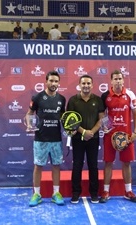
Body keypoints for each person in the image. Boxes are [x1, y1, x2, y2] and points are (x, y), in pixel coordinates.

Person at [100, 70, 136, 203]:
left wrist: (135, 132)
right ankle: (106, 191)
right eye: (115, 79)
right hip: (110, 135)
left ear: (123, 80)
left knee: (126, 163)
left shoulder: (130, 94)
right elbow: (102, 114)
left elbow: (135, 113)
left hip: (126, 136)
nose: (118, 81)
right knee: (108, 163)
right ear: (111, 81)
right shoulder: (105, 95)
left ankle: (128, 191)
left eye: (120, 79)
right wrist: (105, 126)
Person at [27, 71, 66, 207]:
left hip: (56, 139)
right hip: (40, 139)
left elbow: (62, 117)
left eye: (56, 81)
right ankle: (36, 194)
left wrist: (68, 128)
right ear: (46, 81)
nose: (53, 84)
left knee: (56, 166)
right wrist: (28, 124)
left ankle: (56, 193)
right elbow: (29, 114)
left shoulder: (62, 99)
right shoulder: (37, 97)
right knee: (38, 166)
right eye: (51, 81)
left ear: (58, 83)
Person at [67, 75, 105, 204]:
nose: (86, 85)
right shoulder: (73, 100)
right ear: (79, 85)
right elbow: (70, 120)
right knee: (77, 165)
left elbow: (102, 119)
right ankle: (75, 193)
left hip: (93, 139)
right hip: (78, 138)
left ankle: (94, 194)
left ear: (92, 85)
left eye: (88, 83)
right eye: (83, 83)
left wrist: (92, 132)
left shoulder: (98, 100)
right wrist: (83, 132)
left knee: (93, 165)